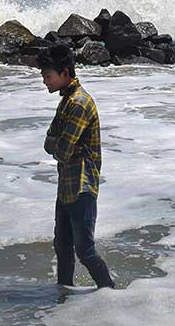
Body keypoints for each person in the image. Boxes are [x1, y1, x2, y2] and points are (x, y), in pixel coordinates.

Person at [38, 44, 115, 289]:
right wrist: (59, 144)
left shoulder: (79, 103)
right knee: (62, 246)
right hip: (67, 185)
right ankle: (65, 295)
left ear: (65, 73)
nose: (44, 82)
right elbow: (49, 142)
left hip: (82, 185)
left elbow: (60, 150)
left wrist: (59, 144)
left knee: (85, 250)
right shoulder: (66, 101)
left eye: (48, 76)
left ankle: (111, 294)